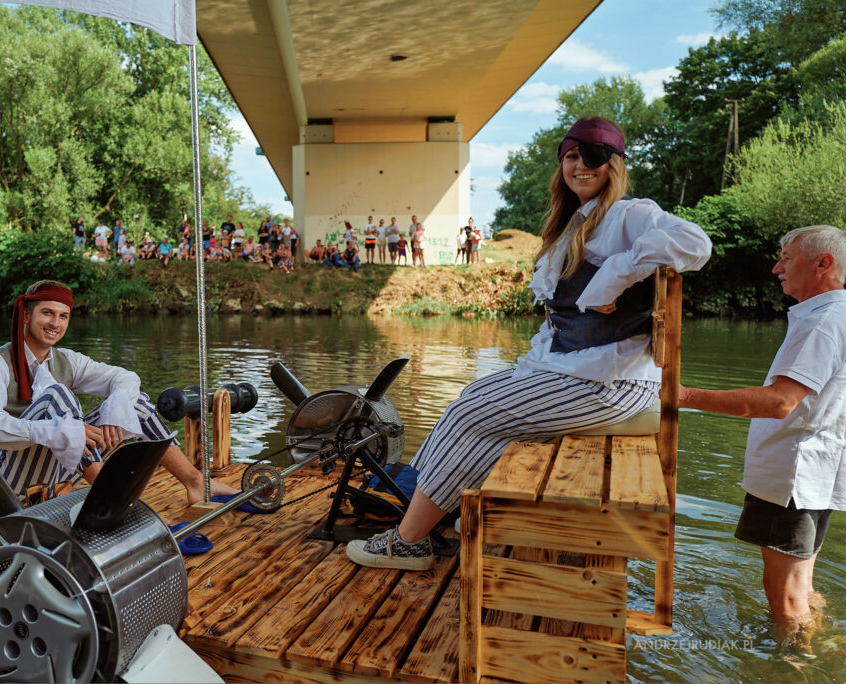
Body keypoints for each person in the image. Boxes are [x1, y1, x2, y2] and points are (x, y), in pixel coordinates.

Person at [345, 117, 712, 570]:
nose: (579, 166)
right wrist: (528, 369)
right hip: (573, 372)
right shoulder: (570, 224)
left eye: (592, 157)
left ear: (614, 164)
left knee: (468, 412)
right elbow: (558, 325)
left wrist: (613, 278)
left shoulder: (627, 214)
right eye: (571, 157)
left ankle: (409, 541)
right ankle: (433, 509)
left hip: (611, 383)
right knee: (474, 396)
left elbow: (695, 243)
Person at [680, 224, 846, 646]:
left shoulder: (823, 322)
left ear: (823, 263)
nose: (777, 268)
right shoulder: (836, 313)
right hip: (818, 473)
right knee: (803, 583)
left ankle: (794, 666)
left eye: (787, 259)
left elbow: (780, 402)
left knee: (785, 597)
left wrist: (684, 395)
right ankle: (819, 644)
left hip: (794, 475)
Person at [0, 280, 238, 506]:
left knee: (137, 403)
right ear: (26, 315)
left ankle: (195, 483)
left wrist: (114, 411)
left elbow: (125, 377)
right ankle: (117, 502)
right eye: (47, 313)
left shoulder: (66, 360)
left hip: (52, 475)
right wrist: (61, 430)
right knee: (57, 395)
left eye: (63, 316)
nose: (55, 323)